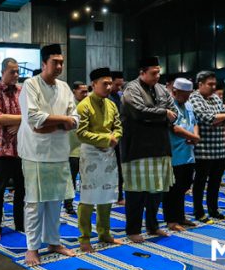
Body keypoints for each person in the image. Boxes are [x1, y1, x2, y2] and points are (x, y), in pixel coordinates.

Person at [18, 44, 79, 265]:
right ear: (44, 63)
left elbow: (75, 118)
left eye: (62, 62)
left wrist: (58, 122)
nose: (60, 66)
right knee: (35, 202)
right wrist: (63, 120)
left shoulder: (64, 87)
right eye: (55, 62)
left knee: (55, 201)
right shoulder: (30, 85)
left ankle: (53, 241)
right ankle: (32, 248)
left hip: (60, 153)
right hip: (35, 153)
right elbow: (34, 119)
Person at [120, 56, 176, 242]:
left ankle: (153, 226)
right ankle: (133, 230)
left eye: (159, 72)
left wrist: (158, 113)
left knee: (156, 192)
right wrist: (162, 113)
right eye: (154, 73)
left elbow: (173, 111)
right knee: (136, 193)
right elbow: (138, 111)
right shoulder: (131, 88)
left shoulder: (161, 89)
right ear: (142, 73)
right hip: (138, 149)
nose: (157, 76)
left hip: (160, 147)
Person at [75, 67, 123, 252]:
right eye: (105, 83)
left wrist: (115, 138)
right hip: (91, 156)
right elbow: (81, 133)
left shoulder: (111, 104)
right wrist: (106, 139)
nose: (109, 87)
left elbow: (118, 126)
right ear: (94, 85)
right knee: (88, 199)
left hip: (109, 154)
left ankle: (104, 233)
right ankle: (84, 238)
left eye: (110, 83)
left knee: (107, 196)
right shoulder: (84, 105)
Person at [0, 58, 26, 241]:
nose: (16, 75)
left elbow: (30, 115)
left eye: (18, 72)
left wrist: (20, 122)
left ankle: (20, 224)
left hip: (22, 149)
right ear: (3, 72)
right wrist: (21, 119)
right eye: (12, 72)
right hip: (2, 150)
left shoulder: (22, 90)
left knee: (22, 190)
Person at [189, 70, 225, 220]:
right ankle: (199, 212)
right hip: (203, 150)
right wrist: (222, 118)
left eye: (214, 84)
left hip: (219, 149)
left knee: (215, 183)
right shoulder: (194, 97)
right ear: (200, 84)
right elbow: (206, 118)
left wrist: (221, 118)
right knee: (199, 183)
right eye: (209, 84)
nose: (213, 87)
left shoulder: (216, 98)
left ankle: (213, 210)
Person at [164, 77, 199, 230]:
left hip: (188, 154)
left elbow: (194, 122)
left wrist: (195, 137)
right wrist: (193, 137)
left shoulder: (189, 106)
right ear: (175, 91)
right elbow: (175, 128)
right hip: (174, 155)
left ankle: (181, 217)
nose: (187, 97)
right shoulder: (169, 106)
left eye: (189, 94)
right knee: (173, 189)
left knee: (184, 187)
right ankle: (171, 220)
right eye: (184, 94)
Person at [64, 81, 89, 215]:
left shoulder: (88, 105)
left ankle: (85, 204)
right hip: (72, 150)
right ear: (74, 91)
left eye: (86, 91)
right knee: (71, 180)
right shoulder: (69, 106)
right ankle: (68, 205)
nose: (85, 94)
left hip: (86, 149)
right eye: (82, 92)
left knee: (86, 179)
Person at [109, 71, 126, 204]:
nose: (119, 88)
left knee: (120, 169)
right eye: (117, 85)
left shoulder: (120, 96)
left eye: (121, 85)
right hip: (107, 139)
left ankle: (119, 196)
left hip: (120, 138)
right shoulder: (105, 98)